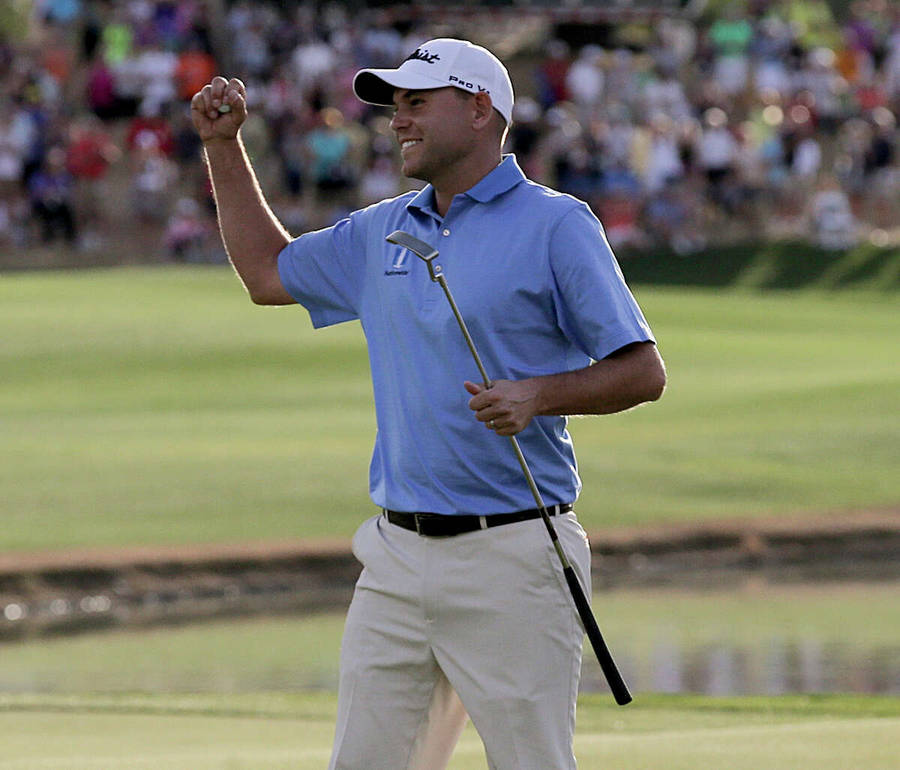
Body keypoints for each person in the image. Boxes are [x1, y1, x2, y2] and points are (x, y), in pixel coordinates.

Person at [191, 37, 666, 770]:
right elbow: (265, 272)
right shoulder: (383, 227)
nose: (397, 121)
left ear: (480, 110)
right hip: (394, 556)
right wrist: (224, 147)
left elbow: (643, 371)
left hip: (514, 551)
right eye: (394, 106)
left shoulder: (556, 224)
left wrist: (538, 395)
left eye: (417, 103)